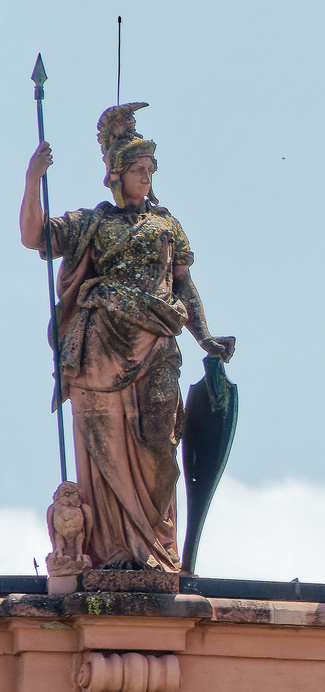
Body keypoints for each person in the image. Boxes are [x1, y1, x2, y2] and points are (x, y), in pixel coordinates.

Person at [18, 104, 234, 572]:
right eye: (138, 169)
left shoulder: (167, 224)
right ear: (117, 174)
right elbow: (34, 235)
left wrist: (206, 337)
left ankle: (157, 549)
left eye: (151, 169)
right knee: (105, 445)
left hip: (157, 346)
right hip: (99, 350)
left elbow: (183, 286)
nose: (147, 177)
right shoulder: (92, 223)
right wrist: (34, 179)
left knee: (161, 444)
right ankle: (113, 551)